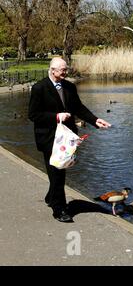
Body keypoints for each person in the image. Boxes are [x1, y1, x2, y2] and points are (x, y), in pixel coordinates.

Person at [28, 58, 111, 223]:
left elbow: (78, 108)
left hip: (66, 137)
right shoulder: (39, 88)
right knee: (57, 173)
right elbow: (33, 115)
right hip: (49, 137)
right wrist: (56, 116)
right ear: (52, 70)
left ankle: (52, 196)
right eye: (62, 70)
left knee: (60, 170)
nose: (66, 73)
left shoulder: (70, 87)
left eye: (66, 70)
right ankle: (59, 210)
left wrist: (95, 120)